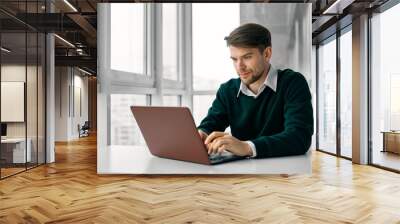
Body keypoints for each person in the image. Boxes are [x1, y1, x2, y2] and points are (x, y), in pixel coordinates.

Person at [197, 23, 313, 158]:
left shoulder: (292, 83)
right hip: (242, 173)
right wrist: (202, 134)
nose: (239, 66)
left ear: (267, 53)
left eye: (247, 57)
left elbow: (299, 138)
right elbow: (211, 124)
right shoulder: (227, 90)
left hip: (284, 173)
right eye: (234, 59)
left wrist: (247, 147)